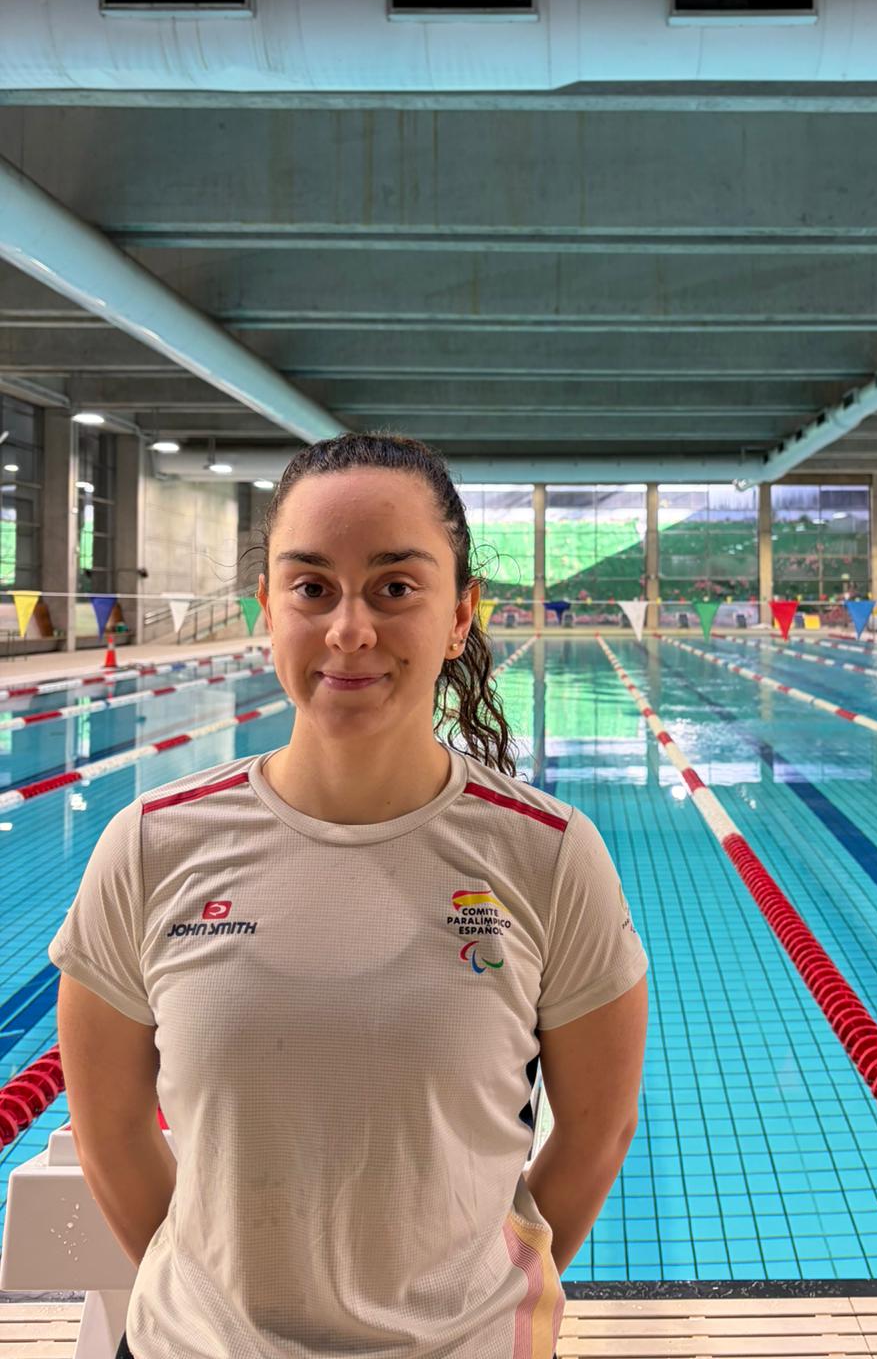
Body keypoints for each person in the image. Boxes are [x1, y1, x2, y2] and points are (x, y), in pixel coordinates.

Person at [51, 433, 650, 1359]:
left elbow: (598, 1134)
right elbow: (111, 1133)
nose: (350, 630)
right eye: (312, 588)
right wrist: (220, 1320)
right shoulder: (151, 846)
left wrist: (468, 1315)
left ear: (460, 615)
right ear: (268, 608)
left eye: (395, 587)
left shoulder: (549, 856)